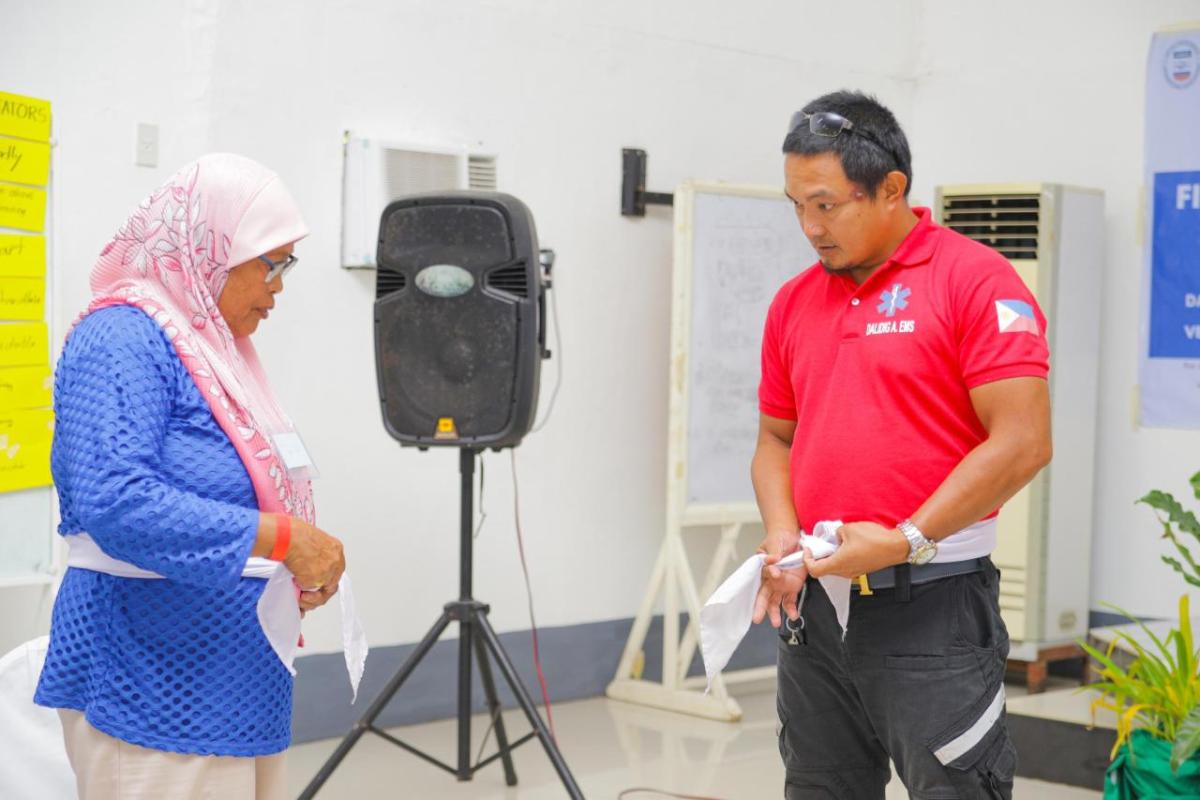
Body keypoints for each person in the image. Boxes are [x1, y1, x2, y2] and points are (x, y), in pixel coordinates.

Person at [750, 91, 1052, 799]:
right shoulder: (794, 302)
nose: (810, 227)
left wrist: (905, 537)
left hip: (933, 605)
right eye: (796, 206)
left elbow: (1024, 441)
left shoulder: (975, 281)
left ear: (892, 189)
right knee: (821, 786)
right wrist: (780, 533)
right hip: (815, 609)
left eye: (826, 205)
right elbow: (773, 438)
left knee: (954, 787)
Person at [34, 153, 347, 799]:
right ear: (208, 249)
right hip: (147, 671)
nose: (279, 285)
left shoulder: (211, 351)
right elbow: (115, 500)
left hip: (231, 668)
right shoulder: (122, 337)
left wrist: (287, 563)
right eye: (270, 261)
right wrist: (282, 540)